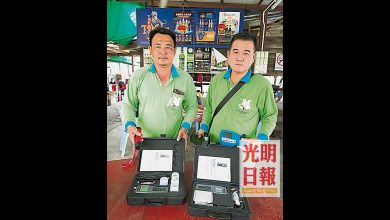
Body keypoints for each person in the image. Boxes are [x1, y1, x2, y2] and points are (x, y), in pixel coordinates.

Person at [122, 27, 198, 148]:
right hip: (145, 141)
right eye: (158, 46)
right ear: (151, 50)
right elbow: (128, 105)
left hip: (174, 140)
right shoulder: (138, 76)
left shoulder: (185, 79)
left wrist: (185, 126)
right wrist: (130, 124)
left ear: (174, 51)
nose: (163, 51)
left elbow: (192, 107)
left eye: (168, 47)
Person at [197, 31, 278, 143]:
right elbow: (210, 107)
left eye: (246, 53)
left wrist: (261, 138)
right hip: (213, 144)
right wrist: (203, 127)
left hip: (243, 147)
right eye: (236, 52)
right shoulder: (216, 80)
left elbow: (269, 116)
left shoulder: (262, 85)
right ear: (229, 54)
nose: (240, 57)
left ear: (253, 57)